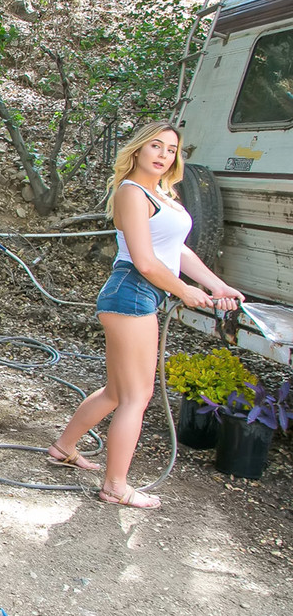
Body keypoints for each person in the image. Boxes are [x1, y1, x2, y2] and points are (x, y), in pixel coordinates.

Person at [47, 122, 244, 509]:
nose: (163, 155)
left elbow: (180, 252)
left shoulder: (163, 195)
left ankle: (63, 447)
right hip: (132, 291)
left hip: (139, 294)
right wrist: (185, 291)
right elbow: (146, 261)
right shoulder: (131, 192)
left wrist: (216, 285)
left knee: (117, 392)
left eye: (171, 149)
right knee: (138, 396)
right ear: (137, 150)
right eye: (155, 146)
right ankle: (116, 486)